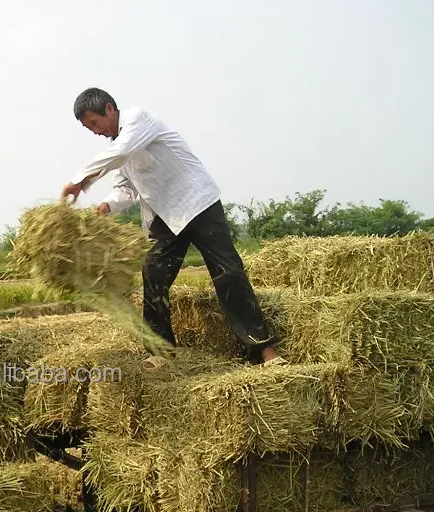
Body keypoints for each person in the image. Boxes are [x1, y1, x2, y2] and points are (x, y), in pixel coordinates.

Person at [61, 88, 284, 368]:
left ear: (109, 109)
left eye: (94, 123)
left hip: (197, 203)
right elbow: (126, 190)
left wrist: (81, 180)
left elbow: (123, 151)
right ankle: (161, 352)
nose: (94, 131)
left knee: (228, 273)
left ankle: (264, 349)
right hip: (164, 218)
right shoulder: (115, 152)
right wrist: (106, 206)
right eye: (88, 128)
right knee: (153, 277)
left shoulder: (137, 120)